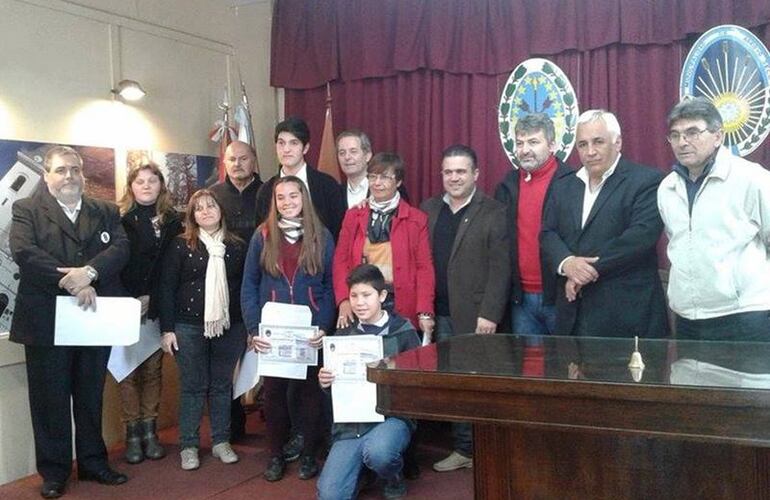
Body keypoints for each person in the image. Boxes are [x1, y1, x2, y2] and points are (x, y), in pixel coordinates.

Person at [9, 145, 130, 498]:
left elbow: (120, 249)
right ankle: (55, 471)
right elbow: (24, 252)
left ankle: (93, 462)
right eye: (61, 170)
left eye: (75, 170)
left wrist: (89, 273)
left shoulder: (105, 211)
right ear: (46, 175)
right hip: (46, 322)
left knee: (90, 395)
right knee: (50, 400)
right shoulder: (25, 209)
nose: (69, 177)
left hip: (93, 319)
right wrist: (71, 280)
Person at [420, 144, 510, 472]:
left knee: (476, 384)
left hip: (475, 316)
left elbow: (501, 268)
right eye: (448, 172)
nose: (454, 177)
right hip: (436, 313)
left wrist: (490, 314)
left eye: (461, 171)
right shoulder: (428, 208)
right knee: (451, 384)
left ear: (475, 174)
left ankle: (480, 450)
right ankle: (463, 448)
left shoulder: (494, 211)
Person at [540, 109, 668, 338]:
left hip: (627, 317)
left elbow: (639, 238)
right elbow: (548, 234)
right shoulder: (563, 185)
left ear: (617, 142)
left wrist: (584, 272)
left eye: (598, 142)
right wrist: (567, 263)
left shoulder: (647, 181)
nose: (590, 152)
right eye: (582, 144)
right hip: (573, 315)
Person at [241, 176, 335, 482]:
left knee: (309, 395)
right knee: (274, 397)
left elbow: (330, 287)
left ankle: (309, 454)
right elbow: (249, 286)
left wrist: (323, 325)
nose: (287, 203)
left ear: (303, 199)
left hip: (309, 332)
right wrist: (254, 329)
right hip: (273, 332)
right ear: (274, 203)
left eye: (293, 196)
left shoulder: (321, 235)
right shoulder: (263, 235)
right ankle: (275, 455)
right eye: (281, 198)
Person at [658, 97, 770, 341]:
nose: (682, 142)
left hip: (745, 315)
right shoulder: (667, 188)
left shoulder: (751, 179)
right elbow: (678, 242)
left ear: (718, 136)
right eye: (675, 135)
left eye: (692, 132)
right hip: (688, 317)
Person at [158, 189, 247, 471]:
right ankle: (189, 445)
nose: (206, 212)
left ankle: (221, 441)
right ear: (192, 215)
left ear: (221, 210)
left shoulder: (237, 245)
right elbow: (167, 286)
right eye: (199, 209)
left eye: (211, 206)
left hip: (229, 326)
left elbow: (246, 287)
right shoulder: (181, 244)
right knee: (194, 387)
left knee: (222, 385)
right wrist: (167, 329)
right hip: (187, 326)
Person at [317, 264, 420, 500]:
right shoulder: (342, 336)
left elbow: (418, 384)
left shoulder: (403, 332)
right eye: (354, 296)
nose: (359, 302)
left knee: (379, 453)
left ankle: (393, 476)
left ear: (382, 296)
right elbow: (334, 393)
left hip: (391, 418)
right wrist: (325, 383)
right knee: (329, 495)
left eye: (367, 295)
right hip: (351, 424)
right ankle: (364, 471)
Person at [117, 162, 183, 464]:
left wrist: (152, 298)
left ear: (161, 185)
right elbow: (114, 265)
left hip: (158, 306)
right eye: (140, 181)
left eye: (152, 180)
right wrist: (131, 300)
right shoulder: (119, 220)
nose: (146, 186)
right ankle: (132, 435)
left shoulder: (174, 222)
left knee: (153, 371)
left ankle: (150, 432)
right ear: (131, 187)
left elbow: (175, 269)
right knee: (128, 372)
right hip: (124, 306)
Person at [334, 152, 435, 338]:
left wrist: (425, 311)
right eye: (372, 176)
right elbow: (340, 261)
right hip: (362, 303)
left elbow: (424, 269)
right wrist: (344, 300)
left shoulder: (416, 220)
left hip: (401, 304)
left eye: (384, 177)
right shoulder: (353, 216)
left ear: (398, 182)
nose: (377, 183)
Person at [494, 113, 573, 335]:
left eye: (533, 142)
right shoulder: (507, 185)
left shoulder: (573, 182)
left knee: (564, 366)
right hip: (520, 300)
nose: (525, 149)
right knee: (529, 368)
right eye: (520, 143)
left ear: (552, 145)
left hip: (561, 296)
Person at [209, 139, 263, 440]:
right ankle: (231, 426)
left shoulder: (269, 192)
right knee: (225, 365)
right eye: (232, 159)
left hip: (261, 288)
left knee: (262, 359)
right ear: (225, 163)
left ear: (254, 161)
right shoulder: (213, 196)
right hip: (224, 291)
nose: (238, 164)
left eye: (244, 158)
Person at [255, 117, 346, 238]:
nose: (286, 149)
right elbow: (261, 237)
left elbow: (338, 232)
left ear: (306, 148)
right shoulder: (266, 190)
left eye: (294, 143)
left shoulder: (327, 186)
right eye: (281, 143)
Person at [336, 130, 373, 208]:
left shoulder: (385, 188)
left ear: (367, 156)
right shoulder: (334, 193)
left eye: (353, 151)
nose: (347, 157)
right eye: (342, 153)